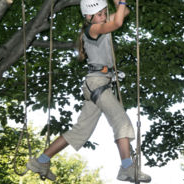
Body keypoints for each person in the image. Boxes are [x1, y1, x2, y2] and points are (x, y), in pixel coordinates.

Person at [26, 0, 151, 182]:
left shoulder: (100, 24)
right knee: (121, 121)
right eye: (99, 14)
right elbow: (118, 22)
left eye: (104, 12)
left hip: (98, 84)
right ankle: (127, 168)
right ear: (88, 17)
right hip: (97, 83)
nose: (103, 16)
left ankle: (41, 161)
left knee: (80, 130)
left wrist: (119, 2)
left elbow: (125, 12)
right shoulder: (92, 30)